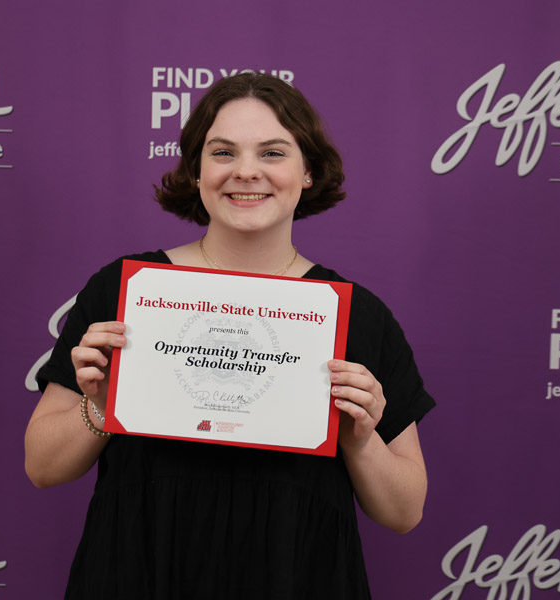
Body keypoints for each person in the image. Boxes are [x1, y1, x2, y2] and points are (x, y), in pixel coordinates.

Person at [25, 72, 435, 599]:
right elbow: (42, 467)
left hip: (297, 578)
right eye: (222, 152)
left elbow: (404, 511)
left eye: (272, 153)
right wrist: (104, 407)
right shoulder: (126, 292)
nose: (245, 171)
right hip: (138, 572)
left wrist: (358, 440)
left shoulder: (358, 316)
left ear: (308, 171)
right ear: (196, 170)